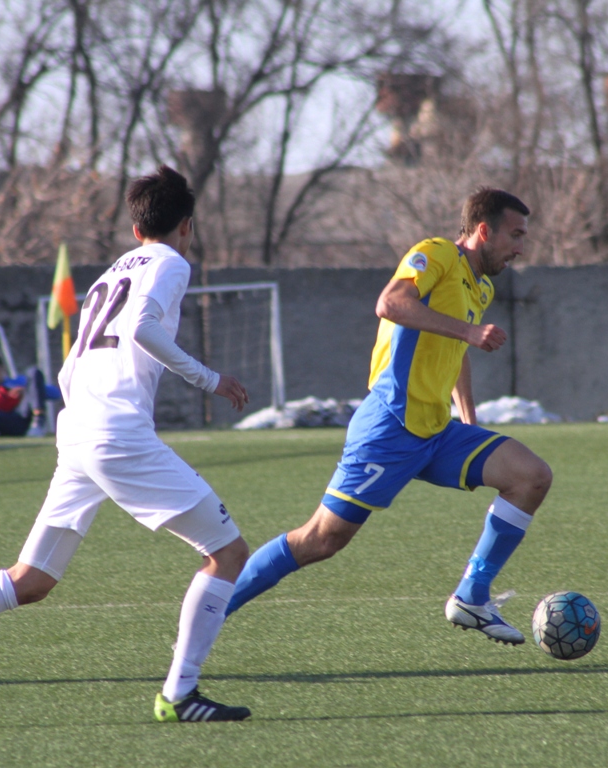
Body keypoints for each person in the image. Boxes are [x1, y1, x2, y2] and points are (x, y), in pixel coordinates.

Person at [0, 165, 254, 725]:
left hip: (79, 431)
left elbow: (70, 370)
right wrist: (210, 380)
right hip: (116, 435)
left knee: (32, 580)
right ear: (186, 225)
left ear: (136, 228)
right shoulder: (171, 261)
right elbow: (142, 329)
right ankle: (180, 693)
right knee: (228, 553)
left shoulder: (109, 273)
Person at [225, 188, 553, 647]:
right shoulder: (436, 253)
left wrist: (469, 418)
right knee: (320, 540)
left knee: (531, 476)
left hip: (437, 432)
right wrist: (469, 331)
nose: (520, 247)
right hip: (391, 426)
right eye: (515, 235)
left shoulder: (481, 287)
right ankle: (211, 610)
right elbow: (391, 303)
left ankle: (472, 596)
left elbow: (456, 350)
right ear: (484, 231)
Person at [0, 353, 61, 437]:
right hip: (1, 422)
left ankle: (38, 423)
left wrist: (27, 392)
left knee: (33, 371)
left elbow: (56, 394)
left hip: (22, 418)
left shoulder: (19, 382)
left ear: (3, 369)